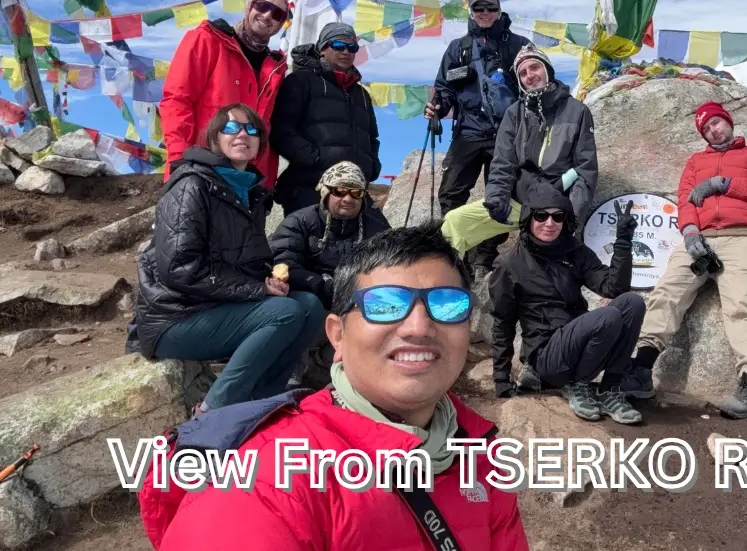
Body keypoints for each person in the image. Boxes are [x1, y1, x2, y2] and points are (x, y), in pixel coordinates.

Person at [139, 223, 530, 550]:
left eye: (447, 304)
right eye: (384, 304)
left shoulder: (480, 455)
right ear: (337, 336)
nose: (419, 327)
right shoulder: (267, 481)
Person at [133, 104, 325, 415]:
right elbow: (179, 269)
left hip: (216, 308)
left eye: (252, 130)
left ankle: (262, 400)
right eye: (232, 128)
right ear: (215, 138)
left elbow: (241, 262)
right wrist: (257, 290)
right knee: (285, 312)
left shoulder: (249, 193)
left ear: (260, 142)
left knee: (309, 306)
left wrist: (267, 280)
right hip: (174, 317)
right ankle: (213, 411)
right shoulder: (192, 185)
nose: (242, 135)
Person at [621, 101, 747, 420]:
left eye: (717, 122)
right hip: (700, 239)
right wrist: (691, 232)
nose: (713, 130)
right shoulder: (695, 162)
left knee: (743, 306)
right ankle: (641, 371)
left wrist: (724, 184)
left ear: (728, 121)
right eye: (706, 129)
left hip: (743, 236)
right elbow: (685, 200)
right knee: (666, 293)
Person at [489, 182, 644, 424]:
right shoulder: (509, 264)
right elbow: (502, 323)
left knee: (632, 302)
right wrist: (501, 377)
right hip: (546, 356)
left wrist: (623, 241)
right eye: (541, 216)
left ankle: (609, 390)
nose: (549, 223)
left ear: (565, 220)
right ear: (528, 218)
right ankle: (577, 385)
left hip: (578, 342)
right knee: (608, 317)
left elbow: (613, 289)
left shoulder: (574, 251)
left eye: (558, 216)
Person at [441, 44, 598, 262]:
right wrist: (497, 198)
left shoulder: (577, 111)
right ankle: (449, 280)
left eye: (534, 67)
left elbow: (585, 169)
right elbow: (502, 163)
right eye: (522, 73)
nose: (529, 76)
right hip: (519, 201)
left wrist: (573, 216)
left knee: (533, 265)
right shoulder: (514, 113)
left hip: (554, 207)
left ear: (547, 70)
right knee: (454, 223)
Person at [426, 0, 532, 275]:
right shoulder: (457, 48)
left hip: (507, 134)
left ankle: (484, 258)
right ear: (471, 13)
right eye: (479, 8)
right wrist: (437, 107)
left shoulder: (519, 45)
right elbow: (445, 88)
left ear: (499, 11)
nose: (485, 13)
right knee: (451, 193)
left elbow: (534, 82)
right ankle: (454, 253)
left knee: (502, 196)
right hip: (468, 132)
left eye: (490, 8)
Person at [160, 0, 293, 190]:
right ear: (249, 7)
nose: (267, 15)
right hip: (201, 168)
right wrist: (180, 160)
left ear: (281, 24)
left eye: (277, 14)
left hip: (249, 180)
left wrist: (265, 185)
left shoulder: (276, 69)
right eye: (262, 6)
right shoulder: (208, 39)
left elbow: (267, 129)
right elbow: (177, 100)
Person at [269, 161, 391, 386]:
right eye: (340, 191)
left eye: (356, 192)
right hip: (311, 299)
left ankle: (337, 375)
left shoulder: (378, 230)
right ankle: (290, 373)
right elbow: (282, 263)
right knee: (302, 306)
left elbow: (390, 271)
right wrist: (320, 284)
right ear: (326, 193)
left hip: (354, 301)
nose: (348, 198)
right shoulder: (299, 221)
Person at [270, 22, 382, 215]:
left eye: (352, 47)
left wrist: (371, 167)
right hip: (311, 185)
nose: (346, 52)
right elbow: (282, 129)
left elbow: (372, 137)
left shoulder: (361, 94)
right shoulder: (301, 81)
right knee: (308, 235)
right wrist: (316, 158)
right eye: (338, 45)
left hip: (353, 189)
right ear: (322, 49)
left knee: (380, 232)